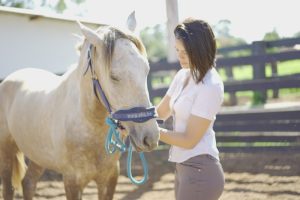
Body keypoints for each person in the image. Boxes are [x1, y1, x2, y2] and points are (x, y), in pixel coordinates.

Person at [156, 18, 225, 200]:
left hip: (200, 170)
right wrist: (132, 118)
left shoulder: (211, 85)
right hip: (183, 168)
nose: (180, 57)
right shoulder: (182, 75)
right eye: (177, 50)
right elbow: (160, 112)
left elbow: (188, 140)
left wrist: (151, 131)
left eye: (185, 52)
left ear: (201, 49)